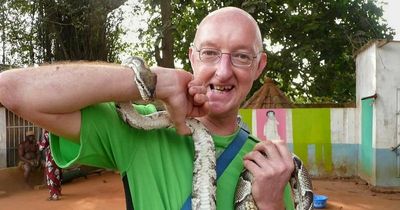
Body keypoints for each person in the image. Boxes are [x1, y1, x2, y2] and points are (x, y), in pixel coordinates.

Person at [0, 7, 295, 210]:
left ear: (260, 66)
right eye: (210, 53)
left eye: (242, 56)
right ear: (192, 57)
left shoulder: (271, 168)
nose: (222, 71)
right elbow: (11, 90)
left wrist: (271, 205)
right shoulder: (137, 130)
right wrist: (148, 82)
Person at [38, 129, 62, 201]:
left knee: (51, 176)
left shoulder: (48, 130)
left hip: (51, 157)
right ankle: (58, 191)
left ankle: (54, 195)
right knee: (58, 174)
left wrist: (38, 144)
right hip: (59, 156)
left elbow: (43, 146)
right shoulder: (58, 129)